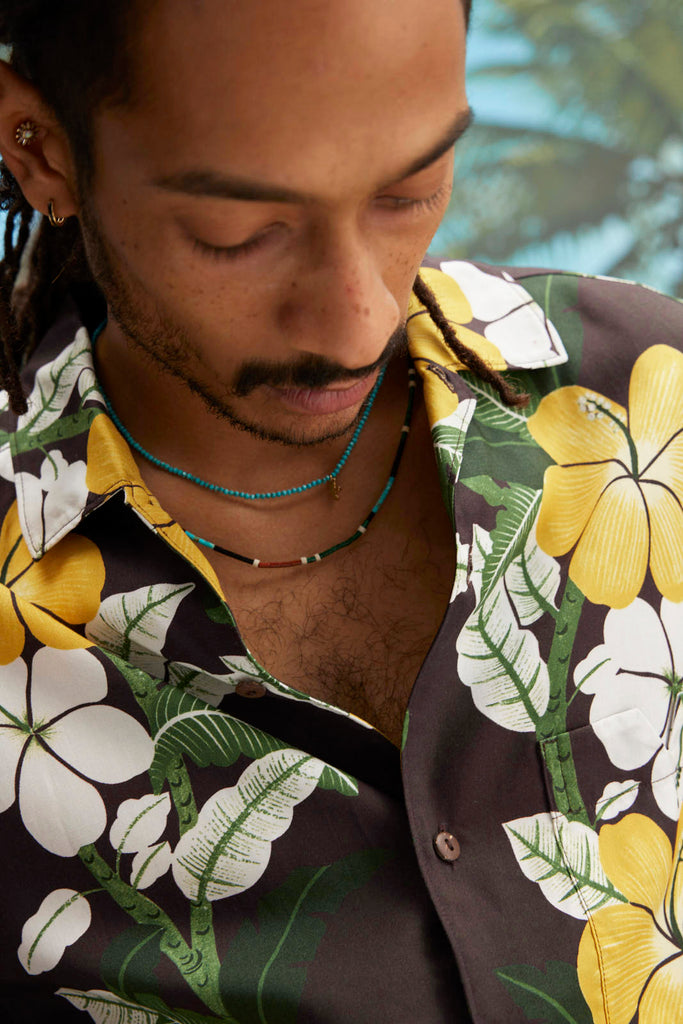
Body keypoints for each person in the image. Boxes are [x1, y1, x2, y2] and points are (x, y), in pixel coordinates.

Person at [0, 1, 681, 1021]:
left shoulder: (652, 402)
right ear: (39, 150)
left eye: (407, 192)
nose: (356, 318)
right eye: (238, 232)